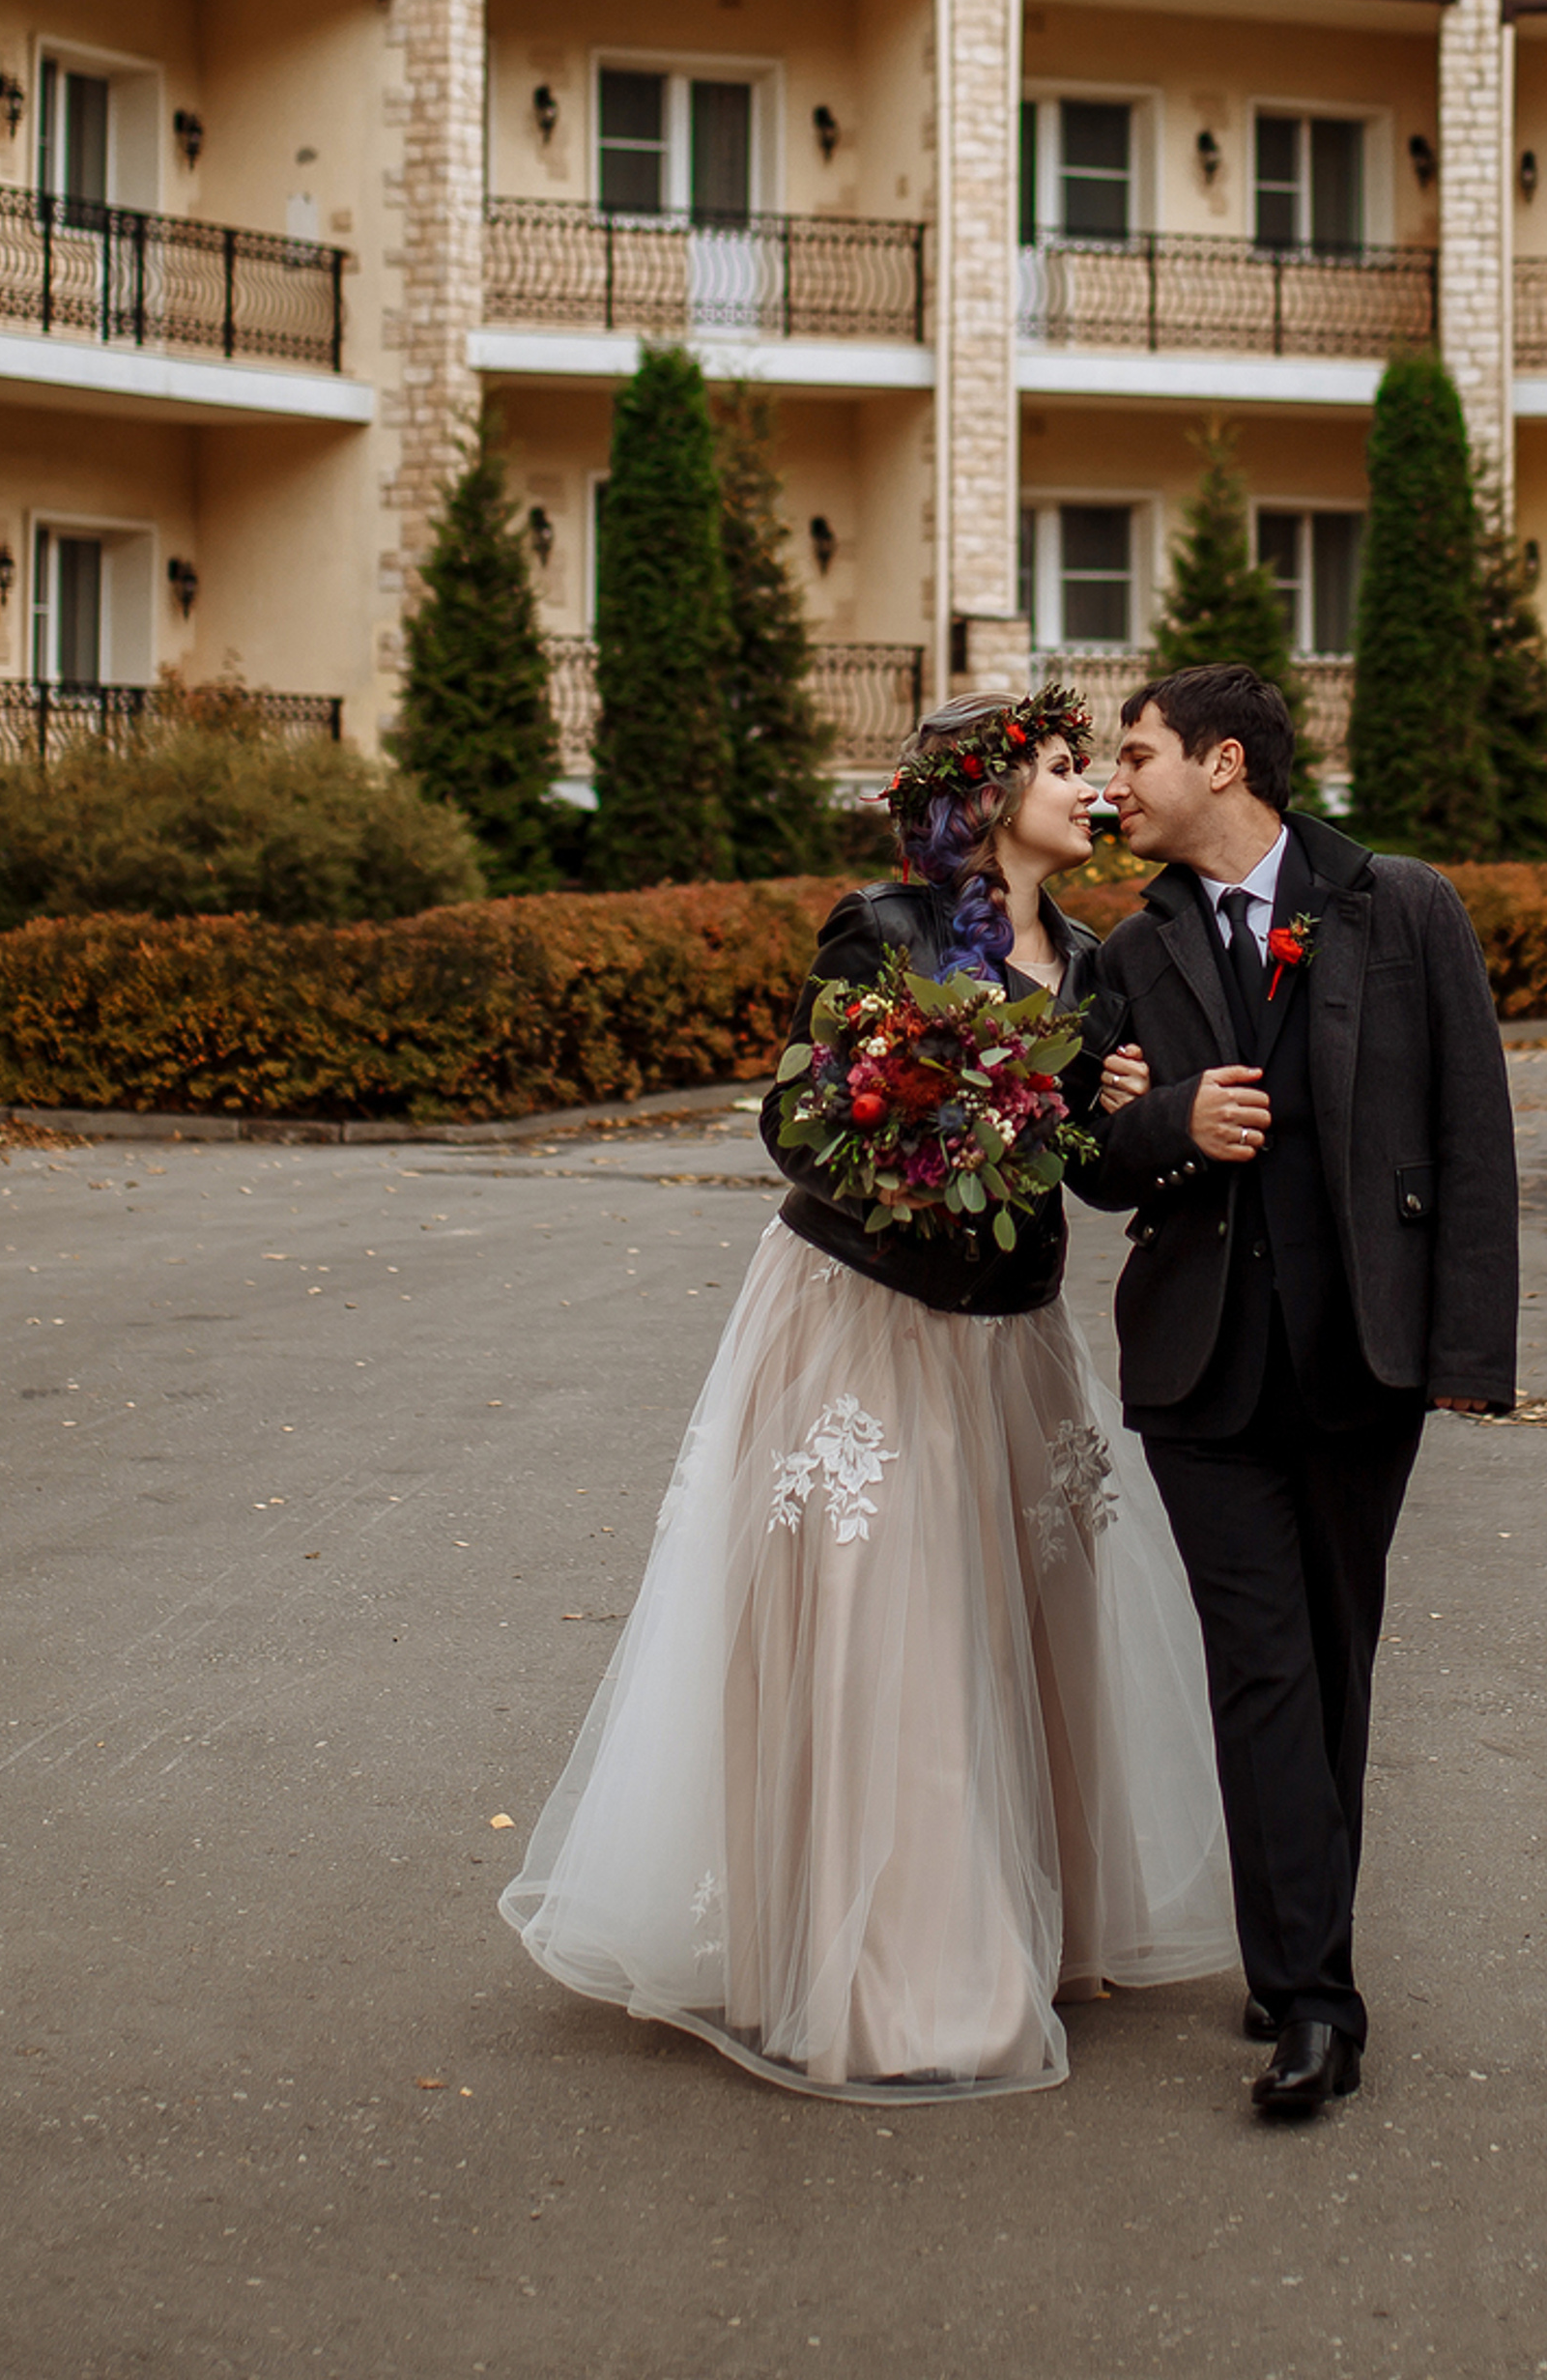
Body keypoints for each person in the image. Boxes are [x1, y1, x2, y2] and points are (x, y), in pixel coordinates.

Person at [500, 686, 1237, 2100]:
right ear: (987, 796)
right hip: (870, 1320)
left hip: (1011, 1336)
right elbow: (798, 1121)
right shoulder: (883, 930)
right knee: (900, 1635)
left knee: (1018, 1628)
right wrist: (927, 1146)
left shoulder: (1094, 963)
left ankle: (1033, 1920)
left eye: (1093, 765)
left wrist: (1141, 1120)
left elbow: (1086, 1170)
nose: (1090, 788)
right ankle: (908, 1979)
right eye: (1063, 765)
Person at [1087, 662, 1518, 2122]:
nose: (1116, 784)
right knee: (1262, 1660)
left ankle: (1291, 1947)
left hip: (1359, 1360)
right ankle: (1319, 2001)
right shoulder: (1128, 948)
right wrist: (1170, 1120)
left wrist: (1468, 1356)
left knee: (1336, 1658)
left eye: (1137, 755)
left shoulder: (1402, 906)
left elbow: (1471, 1128)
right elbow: (1094, 1165)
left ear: (1222, 763)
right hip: (1200, 1371)